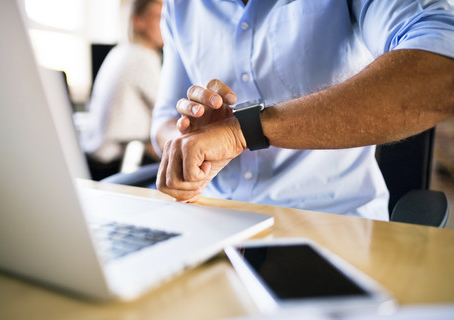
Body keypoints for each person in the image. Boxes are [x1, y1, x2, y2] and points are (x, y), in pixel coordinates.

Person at [152, 0, 454, 220]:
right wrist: (188, 141)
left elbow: (443, 72)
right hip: (212, 217)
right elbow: (163, 123)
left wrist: (243, 131)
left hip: (331, 222)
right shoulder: (179, 6)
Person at [76, 0, 163, 179]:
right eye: (158, 16)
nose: (166, 23)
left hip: (95, 155)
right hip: (119, 160)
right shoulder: (143, 57)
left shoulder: (120, 51)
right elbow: (168, 108)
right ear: (138, 21)